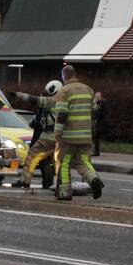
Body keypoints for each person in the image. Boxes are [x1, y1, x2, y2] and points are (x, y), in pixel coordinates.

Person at [53, 65, 103, 201]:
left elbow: (61, 115)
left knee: (64, 162)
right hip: (85, 136)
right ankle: (94, 180)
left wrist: (57, 134)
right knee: (84, 162)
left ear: (64, 76)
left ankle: (64, 193)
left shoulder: (64, 91)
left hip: (69, 137)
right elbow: (94, 113)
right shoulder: (88, 89)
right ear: (75, 74)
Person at [12, 80, 62, 191]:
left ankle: (25, 180)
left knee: (33, 156)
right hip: (61, 138)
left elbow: (33, 100)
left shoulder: (50, 101)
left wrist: (17, 95)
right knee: (56, 162)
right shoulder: (65, 102)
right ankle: (58, 184)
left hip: (48, 137)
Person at [92, 91, 107, 157]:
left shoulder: (103, 103)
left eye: (98, 97)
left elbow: (104, 113)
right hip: (95, 122)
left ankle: (96, 151)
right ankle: (96, 150)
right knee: (95, 137)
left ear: (100, 97)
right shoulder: (95, 103)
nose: (96, 98)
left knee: (96, 137)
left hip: (100, 122)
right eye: (96, 97)